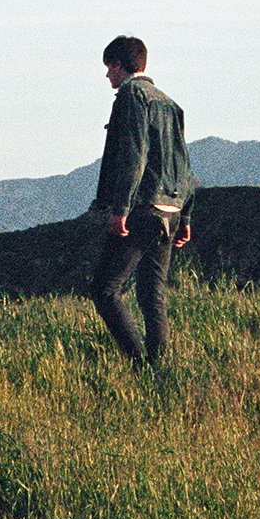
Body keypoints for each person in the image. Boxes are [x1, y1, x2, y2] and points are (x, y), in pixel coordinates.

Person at [91, 34, 195, 367]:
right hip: (172, 208)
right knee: (152, 293)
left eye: (109, 68)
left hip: (142, 207)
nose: (107, 76)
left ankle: (139, 365)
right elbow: (184, 164)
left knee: (105, 289)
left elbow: (134, 156)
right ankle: (160, 370)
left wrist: (120, 209)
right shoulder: (169, 103)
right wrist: (186, 217)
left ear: (120, 65)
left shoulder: (131, 97)